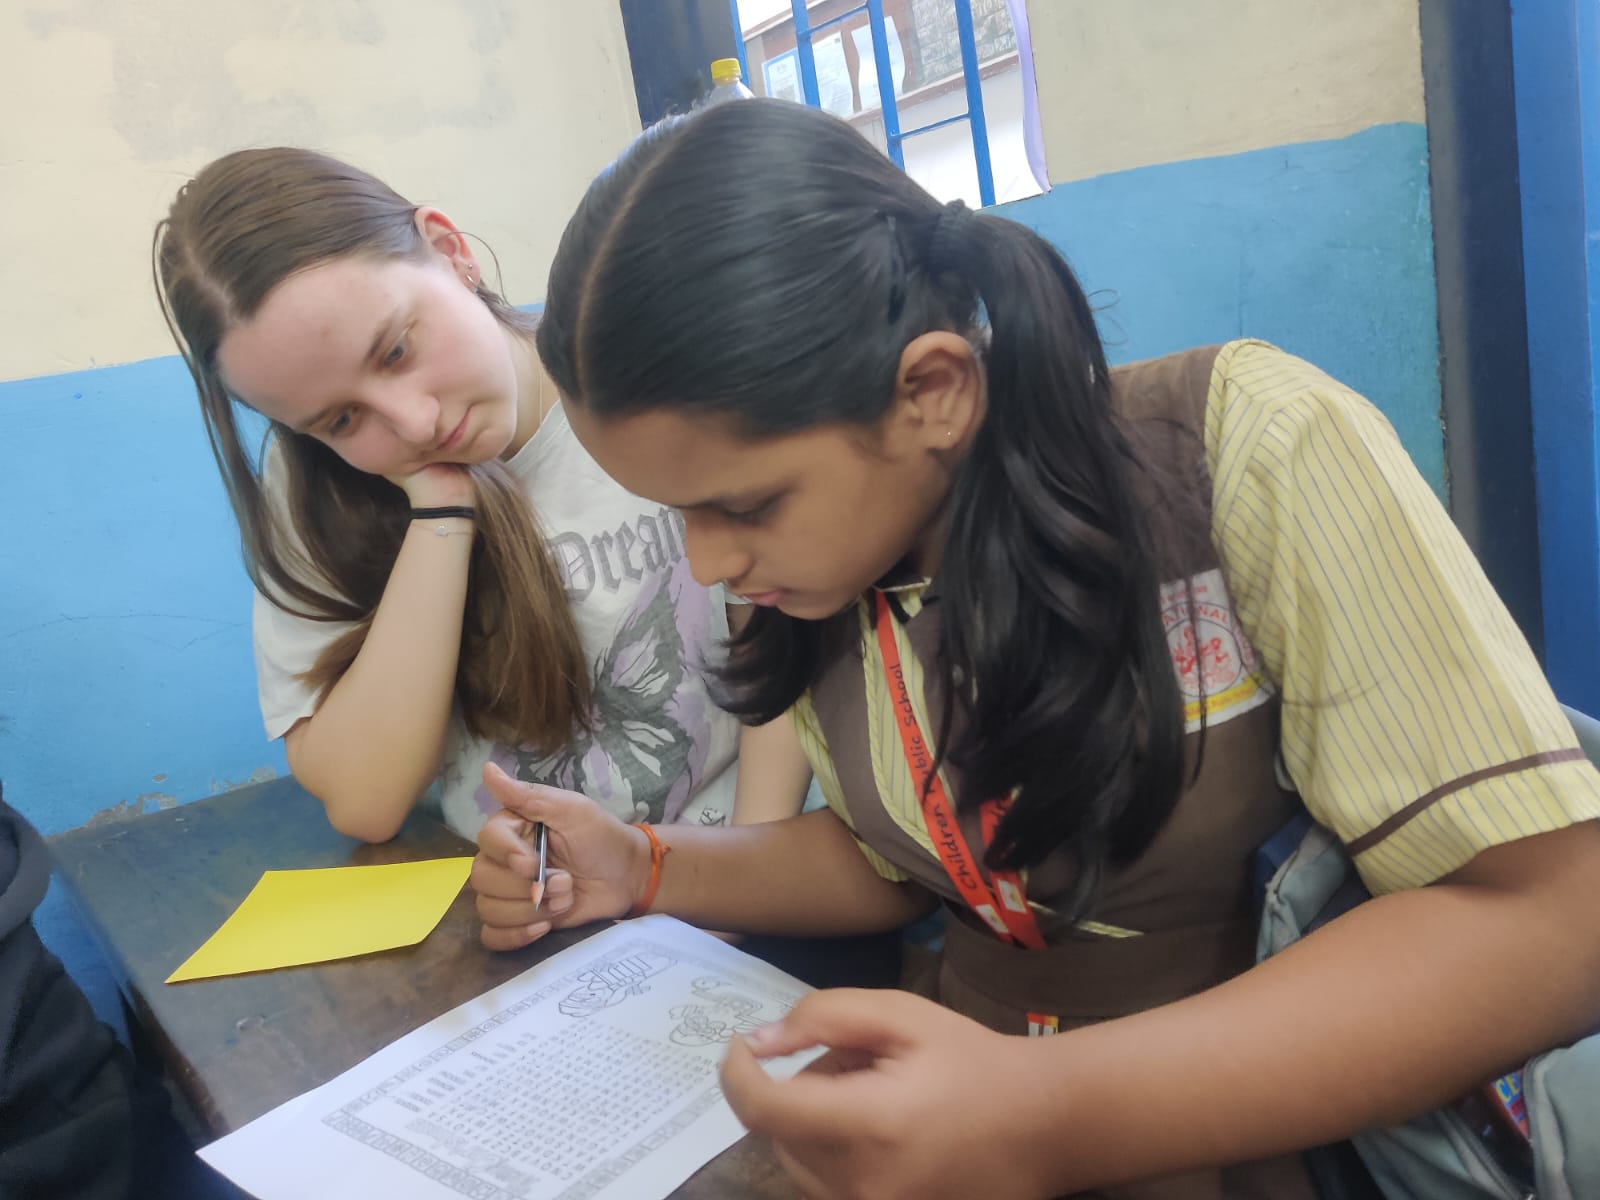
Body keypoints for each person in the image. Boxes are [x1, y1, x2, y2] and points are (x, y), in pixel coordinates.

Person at [469, 98, 1600, 1199]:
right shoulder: (827, 577)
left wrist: (1041, 1111)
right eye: (677, 514)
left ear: (932, 391)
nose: (710, 563)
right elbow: (909, 857)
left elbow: (1551, 919)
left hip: (1271, 1140)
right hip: (969, 1127)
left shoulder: (1242, 451)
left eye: (746, 504)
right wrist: (648, 867)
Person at [151, 148, 775, 845]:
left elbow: (781, 676)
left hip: (727, 871)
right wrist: (442, 511)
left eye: (395, 351)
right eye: (342, 420)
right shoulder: (317, 488)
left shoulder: (640, 378)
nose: (415, 423)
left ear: (450, 252)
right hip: (516, 896)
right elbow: (365, 799)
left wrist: (735, 879)